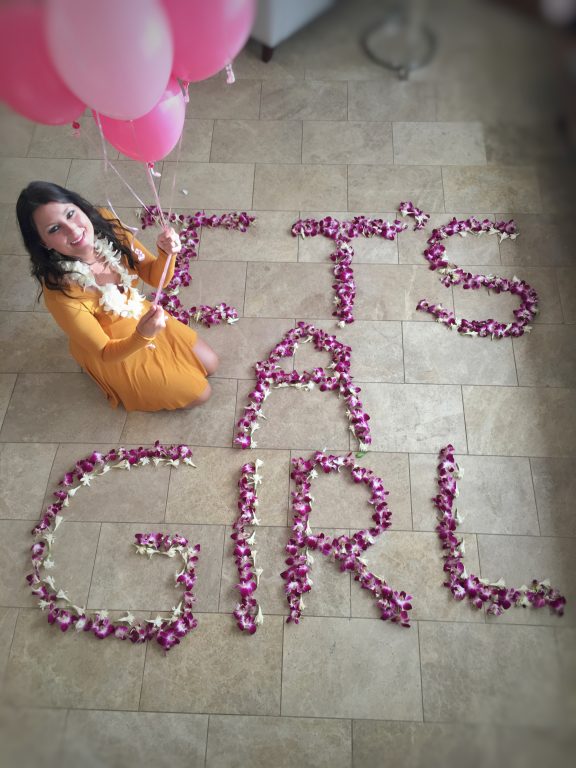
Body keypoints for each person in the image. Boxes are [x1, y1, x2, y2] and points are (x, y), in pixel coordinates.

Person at [16, 181, 218, 411]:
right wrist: (143, 335)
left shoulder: (105, 225)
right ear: (43, 242)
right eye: (54, 229)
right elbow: (104, 351)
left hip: (140, 314)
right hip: (114, 348)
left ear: (80, 207)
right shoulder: (61, 293)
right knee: (201, 393)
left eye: (71, 214)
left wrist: (167, 254)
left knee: (211, 363)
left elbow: (153, 275)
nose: (73, 230)